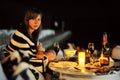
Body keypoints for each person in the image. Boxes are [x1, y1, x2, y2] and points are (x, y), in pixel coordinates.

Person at [1, 7, 56, 80]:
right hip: (15, 60)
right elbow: (27, 57)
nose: (36, 22)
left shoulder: (33, 33)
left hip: (28, 58)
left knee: (52, 55)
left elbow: (37, 51)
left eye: (38, 19)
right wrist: (44, 54)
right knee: (51, 58)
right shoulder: (21, 35)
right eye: (33, 19)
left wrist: (44, 53)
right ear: (27, 20)